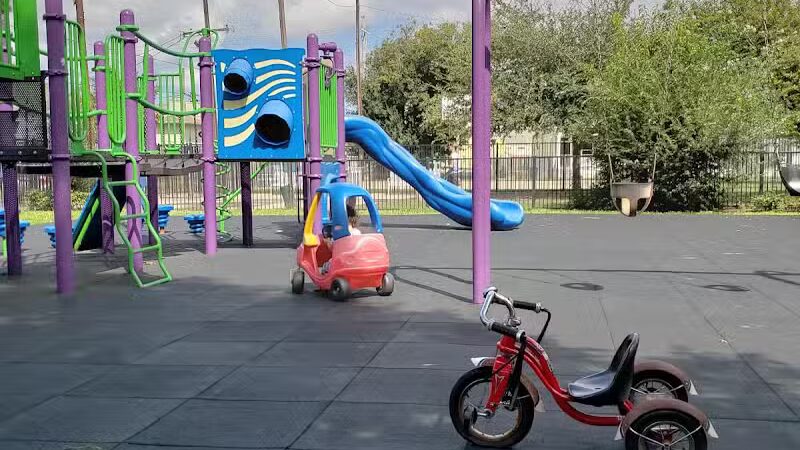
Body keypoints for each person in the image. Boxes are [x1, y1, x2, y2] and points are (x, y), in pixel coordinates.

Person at [321, 205, 362, 274]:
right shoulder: (357, 232)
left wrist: (327, 241)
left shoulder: (339, 233)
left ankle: (326, 276)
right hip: (356, 261)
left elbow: (332, 247)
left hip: (342, 262)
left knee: (327, 264)